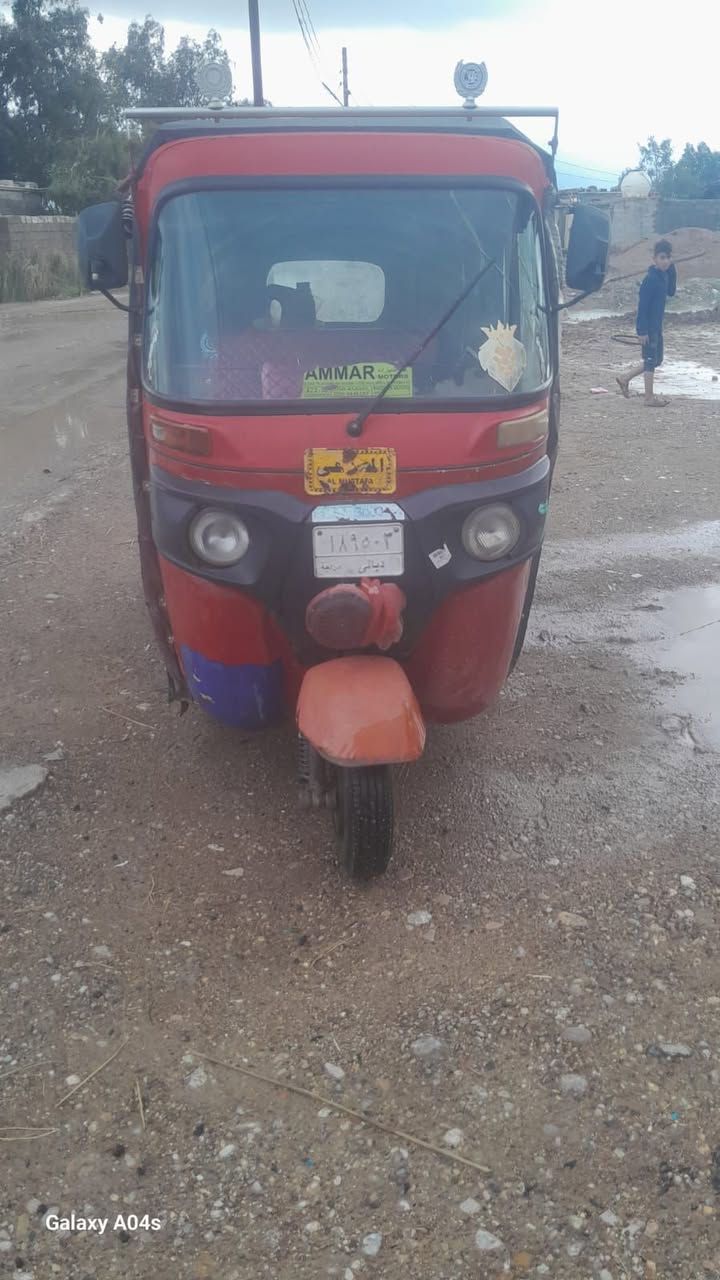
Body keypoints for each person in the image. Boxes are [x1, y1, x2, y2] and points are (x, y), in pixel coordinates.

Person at [616, 239, 677, 407]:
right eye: (662, 257)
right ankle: (649, 398)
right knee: (650, 360)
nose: (665, 261)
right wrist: (641, 331)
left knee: (657, 360)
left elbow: (671, 292)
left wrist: (672, 270)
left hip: (657, 326)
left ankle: (624, 378)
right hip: (649, 327)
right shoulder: (650, 280)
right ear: (654, 259)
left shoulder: (664, 276)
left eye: (668, 258)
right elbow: (642, 307)